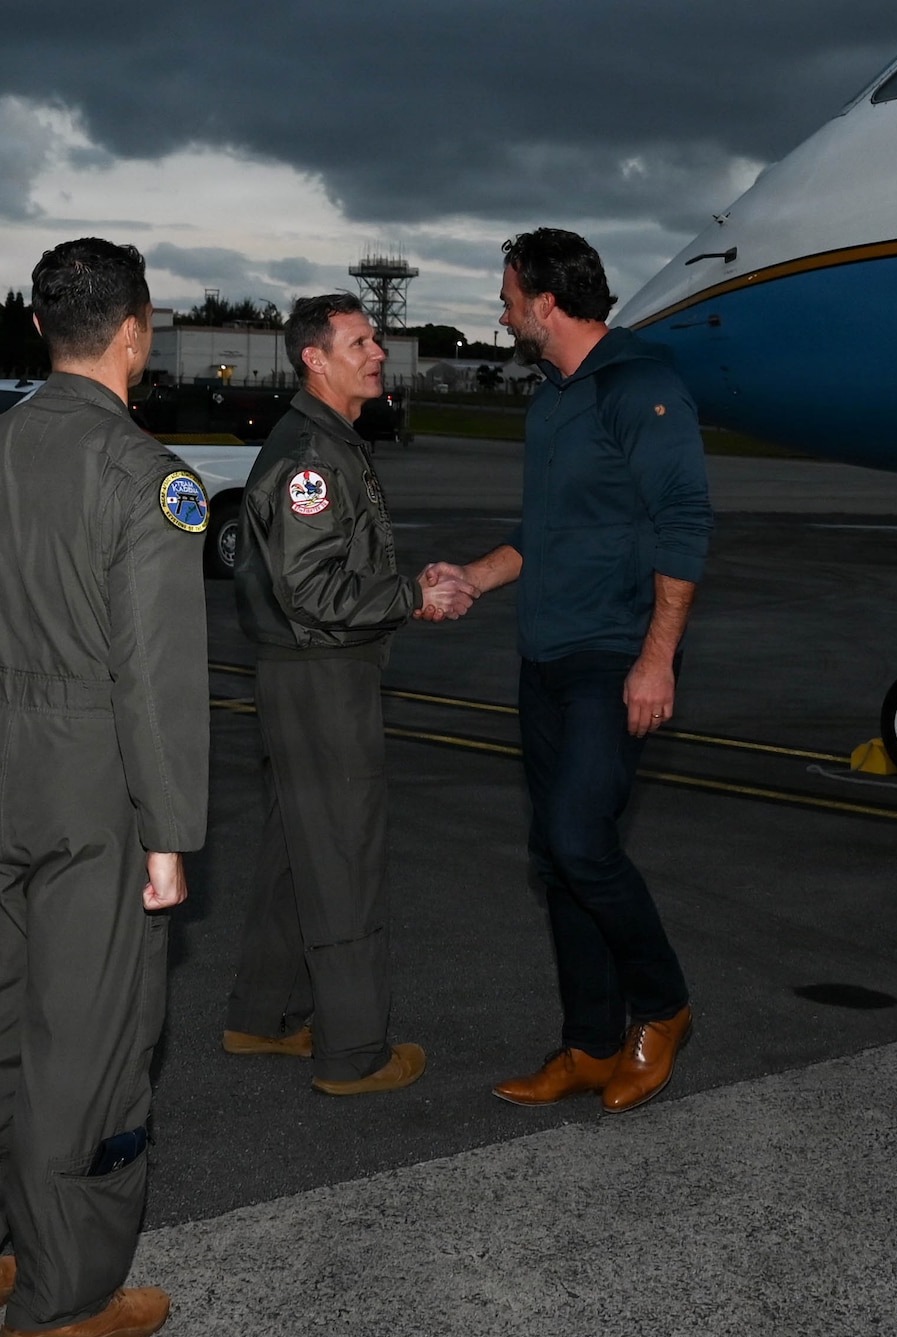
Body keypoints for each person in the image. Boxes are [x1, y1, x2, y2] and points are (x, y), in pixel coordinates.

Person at [0, 239, 208, 1337]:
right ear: (138, 330)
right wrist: (170, 831)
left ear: (37, 329)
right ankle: (64, 1295)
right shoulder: (143, 476)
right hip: (96, 782)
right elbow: (156, 678)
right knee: (91, 1037)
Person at [424, 228, 711, 1114]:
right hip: (541, 657)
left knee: (584, 841)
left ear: (546, 301)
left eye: (509, 294)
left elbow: (685, 526)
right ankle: (588, 1042)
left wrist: (657, 658)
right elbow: (544, 537)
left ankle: (662, 1009)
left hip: (609, 659)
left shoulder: (640, 385)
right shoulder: (550, 399)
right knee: (556, 858)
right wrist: (475, 574)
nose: (502, 310)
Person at [224, 293, 475, 1096]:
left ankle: (261, 1017)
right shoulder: (310, 455)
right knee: (341, 854)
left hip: (306, 668)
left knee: (295, 849)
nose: (379, 352)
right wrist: (412, 598)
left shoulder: (329, 439)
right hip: (319, 672)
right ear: (315, 358)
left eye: (377, 339)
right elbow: (314, 590)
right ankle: (354, 1051)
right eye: (361, 341)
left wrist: (408, 586)